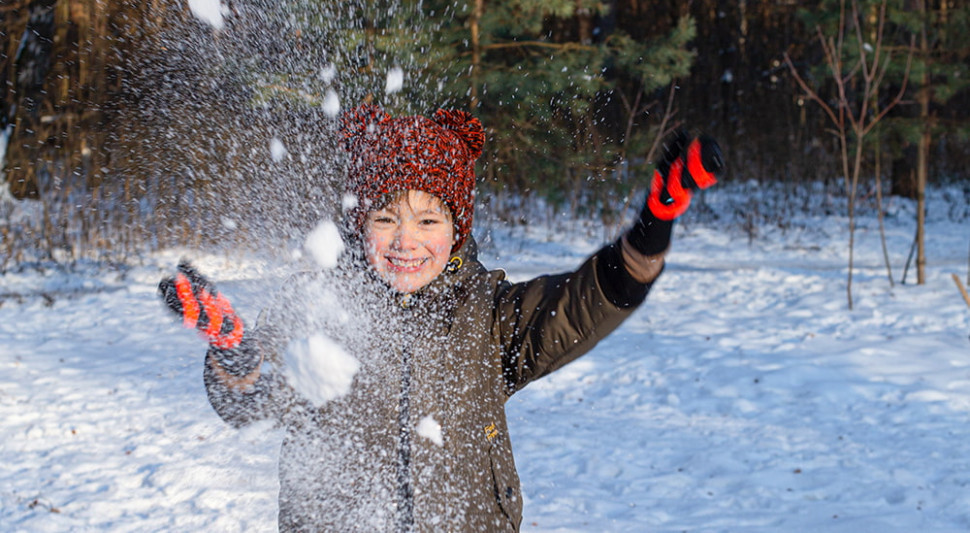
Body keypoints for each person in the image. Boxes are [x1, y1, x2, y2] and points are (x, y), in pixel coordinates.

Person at [159, 104, 722, 532]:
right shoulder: (318, 310)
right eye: (386, 217)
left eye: (429, 219)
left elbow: (589, 302)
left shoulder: (488, 316)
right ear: (360, 225)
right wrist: (234, 352)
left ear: (457, 231)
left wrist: (656, 219)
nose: (407, 240)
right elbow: (251, 400)